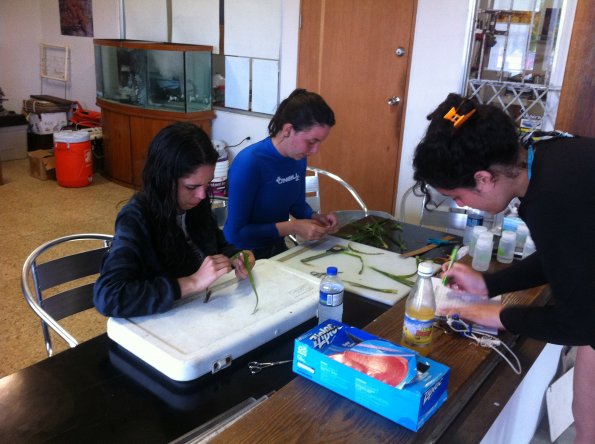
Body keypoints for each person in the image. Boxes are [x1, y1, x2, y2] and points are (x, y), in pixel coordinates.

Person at [412, 93, 595, 444]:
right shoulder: (544, 158)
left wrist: (497, 315)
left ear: (483, 178)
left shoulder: (550, 196)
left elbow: (580, 324)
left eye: (458, 196)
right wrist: (489, 284)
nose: (460, 205)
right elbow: (565, 251)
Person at [94, 122, 255, 318]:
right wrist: (193, 282)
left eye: (207, 184)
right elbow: (109, 296)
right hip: (159, 324)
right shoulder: (136, 218)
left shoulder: (195, 203)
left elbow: (217, 244)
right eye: (191, 187)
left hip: (197, 311)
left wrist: (236, 256)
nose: (202, 196)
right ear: (164, 179)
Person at [224, 88, 340, 260]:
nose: (315, 151)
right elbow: (236, 233)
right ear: (287, 130)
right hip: (244, 257)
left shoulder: (298, 157)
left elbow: (297, 205)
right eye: (311, 141)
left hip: (277, 250)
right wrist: (293, 227)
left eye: (319, 143)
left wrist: (316, 217)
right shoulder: (249, 163)